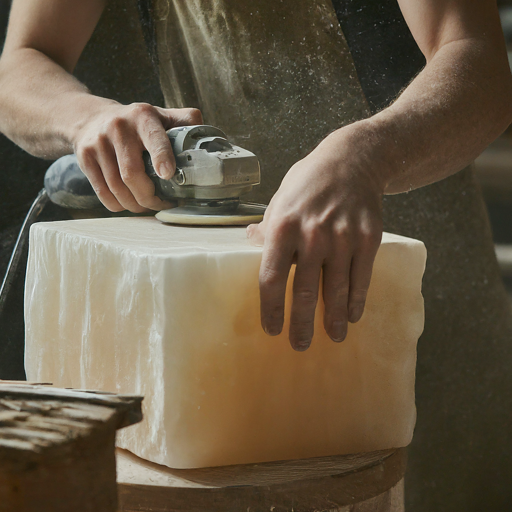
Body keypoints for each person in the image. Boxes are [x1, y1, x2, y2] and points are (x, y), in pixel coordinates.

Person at [1, 0, 512, 510]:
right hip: (229, 322)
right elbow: (21, 63)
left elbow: (478, 65)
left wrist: (366, 155)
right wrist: (86, 118)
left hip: (422, 305)